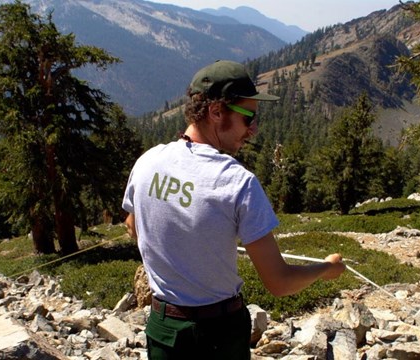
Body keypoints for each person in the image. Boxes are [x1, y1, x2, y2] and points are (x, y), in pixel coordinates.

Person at [121, 60, 346, 360]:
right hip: (219, 334)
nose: (253, 129)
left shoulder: (147, 162)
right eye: (248, 117)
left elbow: (132, 224)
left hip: (162, 329)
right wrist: (327, 269)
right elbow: (278, 282)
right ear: (215, 111)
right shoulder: (237, 182)